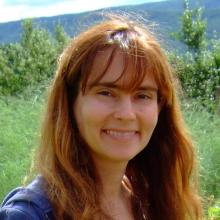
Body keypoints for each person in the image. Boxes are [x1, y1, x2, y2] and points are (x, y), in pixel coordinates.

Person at [0, 15, 203, 220]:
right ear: (70, 103)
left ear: (160, 107)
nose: (126, 114)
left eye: (142, 95)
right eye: (106, 92)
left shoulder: (149, 200)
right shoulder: (29, 215)